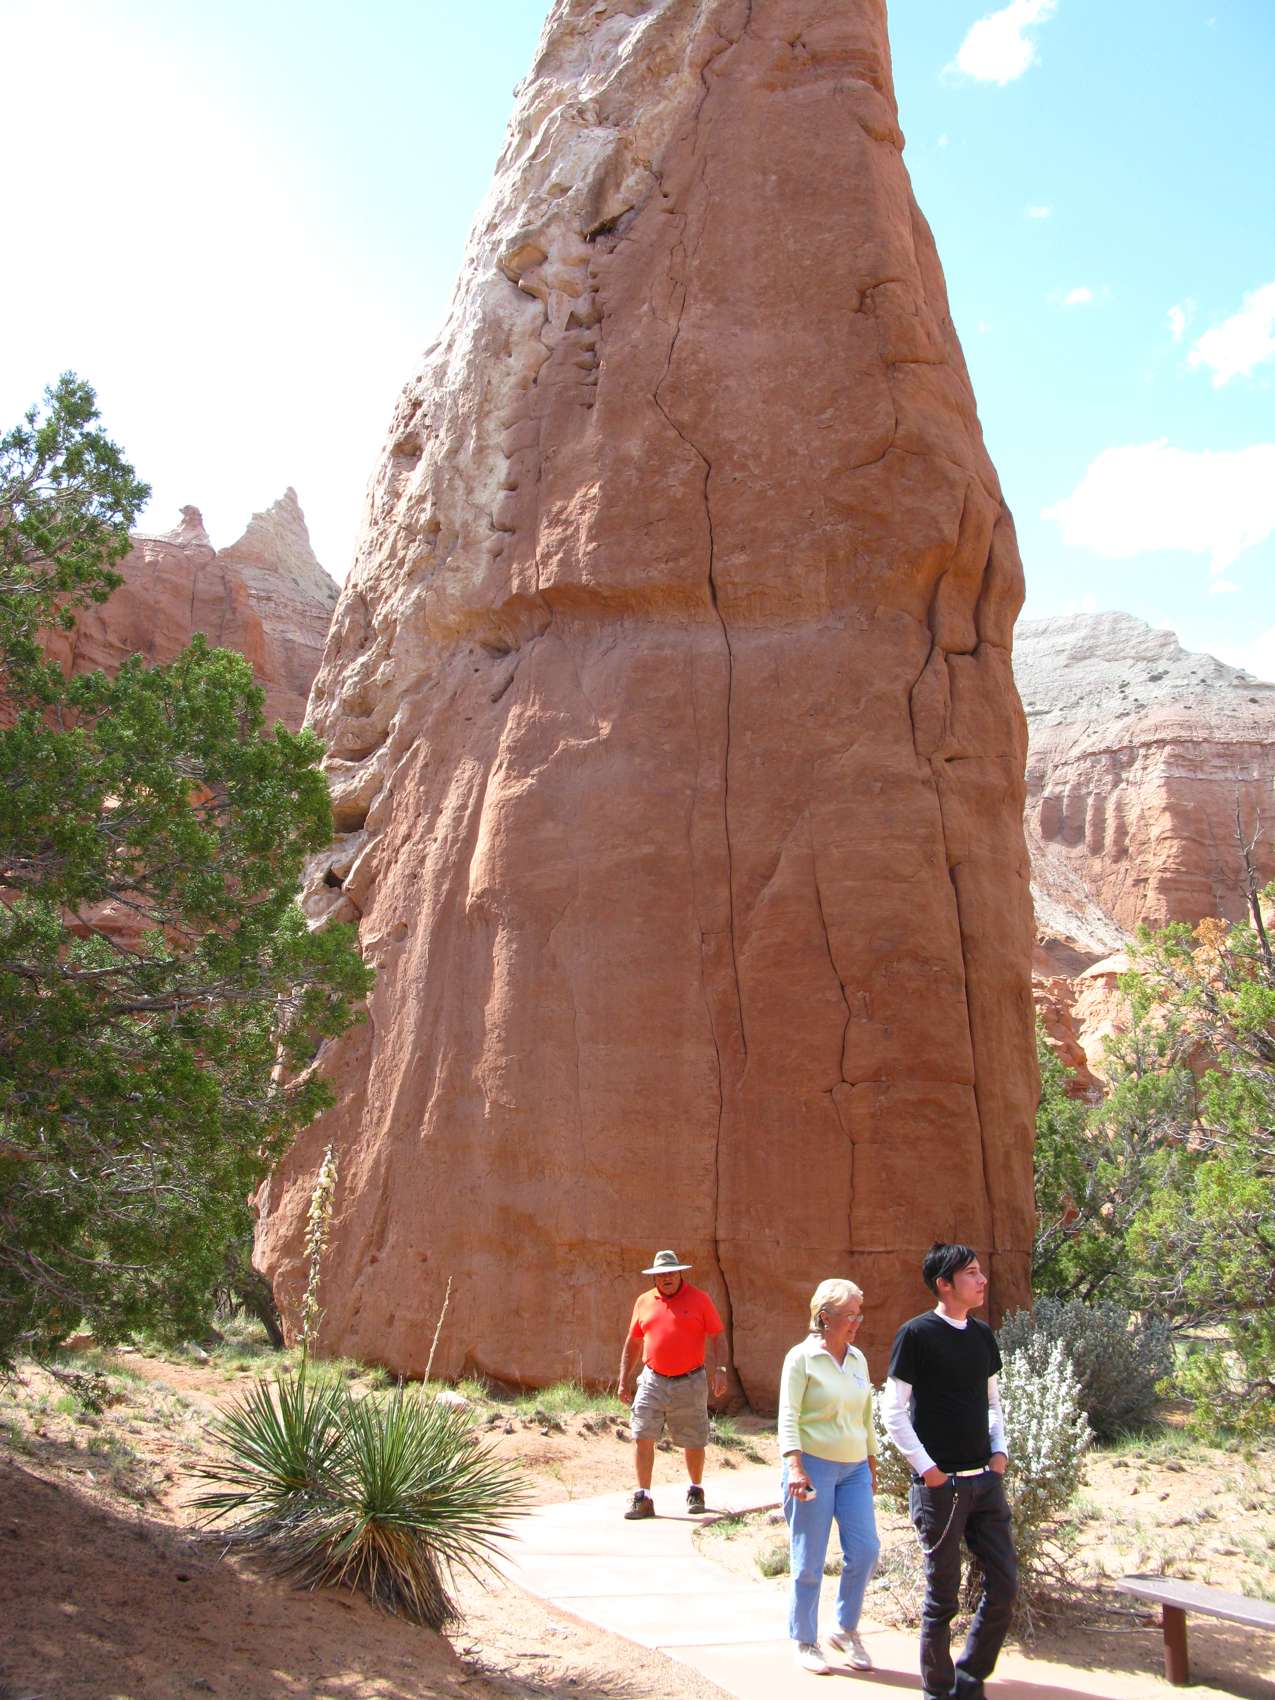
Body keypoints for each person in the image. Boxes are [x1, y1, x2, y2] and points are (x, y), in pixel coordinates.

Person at [882, 1243, 1018, 1700]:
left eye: (981, 1272)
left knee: (1004, 1585)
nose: (982, 1280)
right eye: (971, 1273)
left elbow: (993, 1402)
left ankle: (969, 1679)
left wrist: (999, 1453)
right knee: (942, 1599)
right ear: (944, 1284)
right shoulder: (916, 1335)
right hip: (941, 1490)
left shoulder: (982, 1335)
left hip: (985, 1483)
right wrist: (930, 1471)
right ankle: (938, 1692)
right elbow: (893, 1411)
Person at [779, 1277, 881, 1676]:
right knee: (809, 1558)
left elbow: (865, 1413)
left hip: (854, 1468)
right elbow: (788, 1415)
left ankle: (845, 1628)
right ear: (824, 1317)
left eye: (859, 1315)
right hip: (813, 1466)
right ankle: (805, 1639)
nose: (857, 1322)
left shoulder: (857, 1359)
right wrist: (794, 1465)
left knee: (866, 1550)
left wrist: (871, 1459)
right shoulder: (801, 1358)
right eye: (850, 1315)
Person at [617, 1248, 728, 1519]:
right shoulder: (644, 1301)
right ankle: (644, 1497)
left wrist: (721, 1370)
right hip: (652, 1379)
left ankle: (696, 1489)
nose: (666, 1278)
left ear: (679, 1274)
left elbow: (718, 1335)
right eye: (661, 1274)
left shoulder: (700, 1299)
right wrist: (623, 1380)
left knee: (694, 1438)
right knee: (642, 1434)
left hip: (690, 1380)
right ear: (654, 1278)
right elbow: (633, 1342)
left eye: (671, 1273)